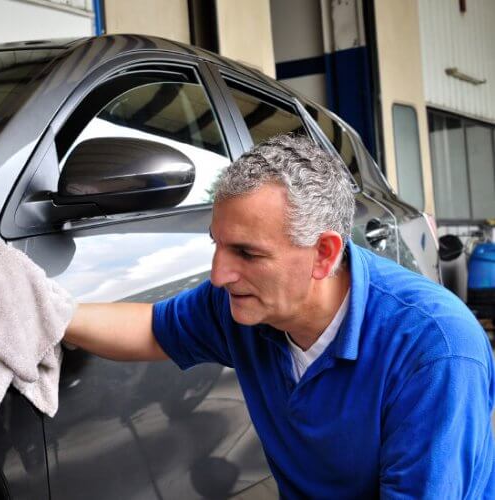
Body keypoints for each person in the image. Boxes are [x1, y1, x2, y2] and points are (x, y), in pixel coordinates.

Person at [64, 134, 495, 498]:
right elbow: (153, 330)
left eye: (247, 253)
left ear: (323, 254)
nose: (219, 275)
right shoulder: (240, 306)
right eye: (218, 244)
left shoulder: (437, 351)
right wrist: (47, 311)